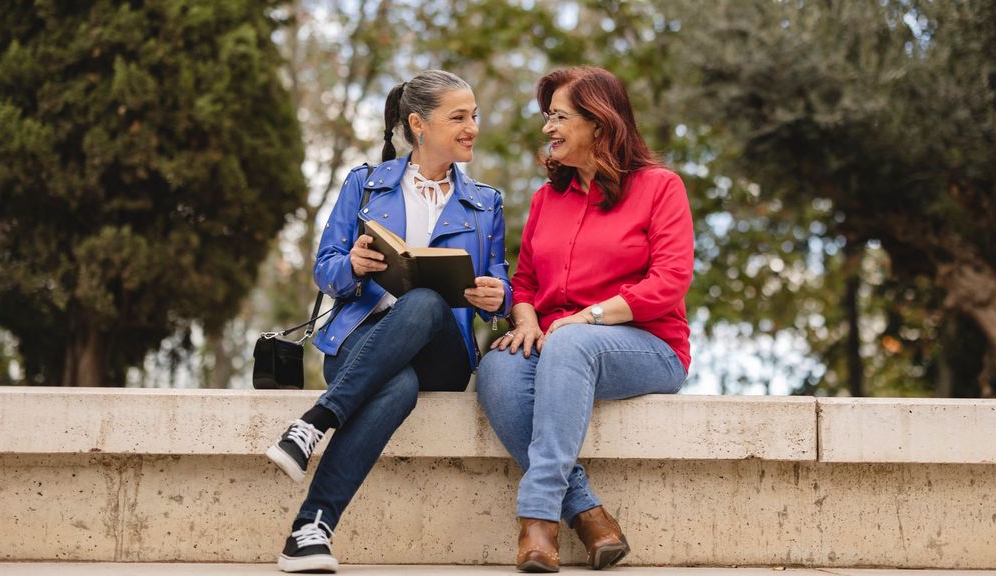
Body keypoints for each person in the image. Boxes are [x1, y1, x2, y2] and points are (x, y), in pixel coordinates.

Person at [265, 69, 512, 574]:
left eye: (474, 116)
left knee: (424, 300)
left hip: (443, 351)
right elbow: (325, 269)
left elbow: (499, 285)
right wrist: (352, 266)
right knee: (396, 387)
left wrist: (496, 296)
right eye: (459, 117)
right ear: (419, 124)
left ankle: (316, 422)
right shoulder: (365, 184)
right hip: (362, 340)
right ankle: (309, 532)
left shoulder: (487, 202)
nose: (472, 128)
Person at [476, 66, 693, 572]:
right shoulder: (545, 199)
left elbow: (670, 281)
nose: (547, 128)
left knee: (572, 343)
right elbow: (524, 281)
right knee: (497, 368)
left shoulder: (661, 187)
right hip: (553, 342)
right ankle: (587, 513)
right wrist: (525, 319)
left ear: (599, 123)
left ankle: (538, 519)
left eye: (558, 116)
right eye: (546, 117)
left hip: (647, 346)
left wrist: (587, 318)